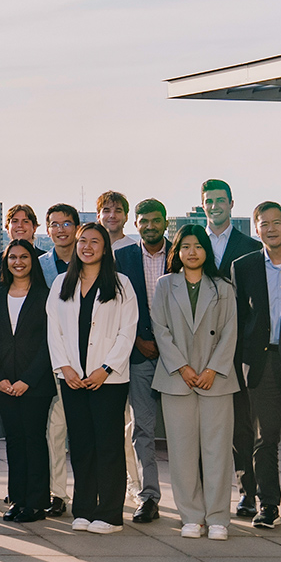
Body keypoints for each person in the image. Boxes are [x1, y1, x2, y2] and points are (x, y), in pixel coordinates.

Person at [47, 222, 139, 534]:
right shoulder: (61, 283)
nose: (87, 246)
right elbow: (54, 331)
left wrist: (106, 369)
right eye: (82, 241)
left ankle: (110, 514)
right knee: (82, 445)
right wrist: (66, 368)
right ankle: (84, 508)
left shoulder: (122, 284)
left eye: (95, 241)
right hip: (72, 379)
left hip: (108, 380)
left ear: (105, 247)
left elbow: (127, 333)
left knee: (109, 445)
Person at [150, 224, 239, 540]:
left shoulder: (223, 286)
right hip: (177, 379)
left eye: (198, 246)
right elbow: (160, 330)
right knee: (182, 451)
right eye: (185, 246)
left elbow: (230, 331)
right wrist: (182, 368)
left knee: (216, 451)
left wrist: (213, 369)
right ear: (177, 251)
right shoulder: (164, 285)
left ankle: (218, 518)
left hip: (216, 379)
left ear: (206, 250)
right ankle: (190, 515)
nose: (192, 251)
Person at [229, 202, 281, 529]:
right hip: (262, 361)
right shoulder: (243, 266)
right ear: (256, 229)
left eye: (277, 222)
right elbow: (239, 319)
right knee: (265, 437)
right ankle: (268, 505)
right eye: (264, 223)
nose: (271, 228)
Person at [0, 238, 53, 522]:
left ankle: (36, 502)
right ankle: (17, 499)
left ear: (32, 262)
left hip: (34, 384)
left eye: (24, 257)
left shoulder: (44, 296)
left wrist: (28, 379)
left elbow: (49, 343)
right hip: (4, 383)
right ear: (6, 262)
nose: (18, 262)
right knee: (13, 441)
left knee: (33, 439)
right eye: (13, 257)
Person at [113, 198, 171, 524]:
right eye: (143, 221)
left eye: (155, 220)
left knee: (182, 433)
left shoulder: (181, 253)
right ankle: (149, 496)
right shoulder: (122, 258)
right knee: (142, 430)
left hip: (177, 357)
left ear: (165, 222)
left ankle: (197, 499)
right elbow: (116, 308)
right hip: (139, 354)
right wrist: (137, 340)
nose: (149, 225)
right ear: (136, 225)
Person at [38, 203, 82, 517]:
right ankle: (57, 493)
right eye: (54, 224)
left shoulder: (92, 262)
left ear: (77, 228)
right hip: (50, 359)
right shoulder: (39, 265)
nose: (61, 229)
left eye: (67, 223)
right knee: (54, 431)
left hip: (89, 359)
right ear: (47, 229)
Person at [201, 179, 260, 273]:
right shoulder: (191, 246)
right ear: (203, 206)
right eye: (209, 201)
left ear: (231, 204)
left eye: (220, 201)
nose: (214, 207)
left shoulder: (252, 247)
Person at [0, 204, 40, 291]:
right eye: (15, 221)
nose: (20, 225)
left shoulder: (45, 260)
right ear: (7, 228)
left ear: (34, 228)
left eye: (26, 221)